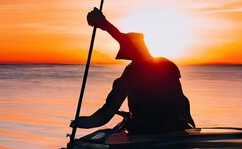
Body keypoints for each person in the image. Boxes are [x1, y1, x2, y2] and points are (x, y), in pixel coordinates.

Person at [72, 7, 195, 135]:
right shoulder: (168, 65)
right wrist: (103, 23)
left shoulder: (132, 73)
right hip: (179, 126)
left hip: (148, 131)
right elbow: (182, 103)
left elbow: (106, 114)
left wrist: (82, 122)